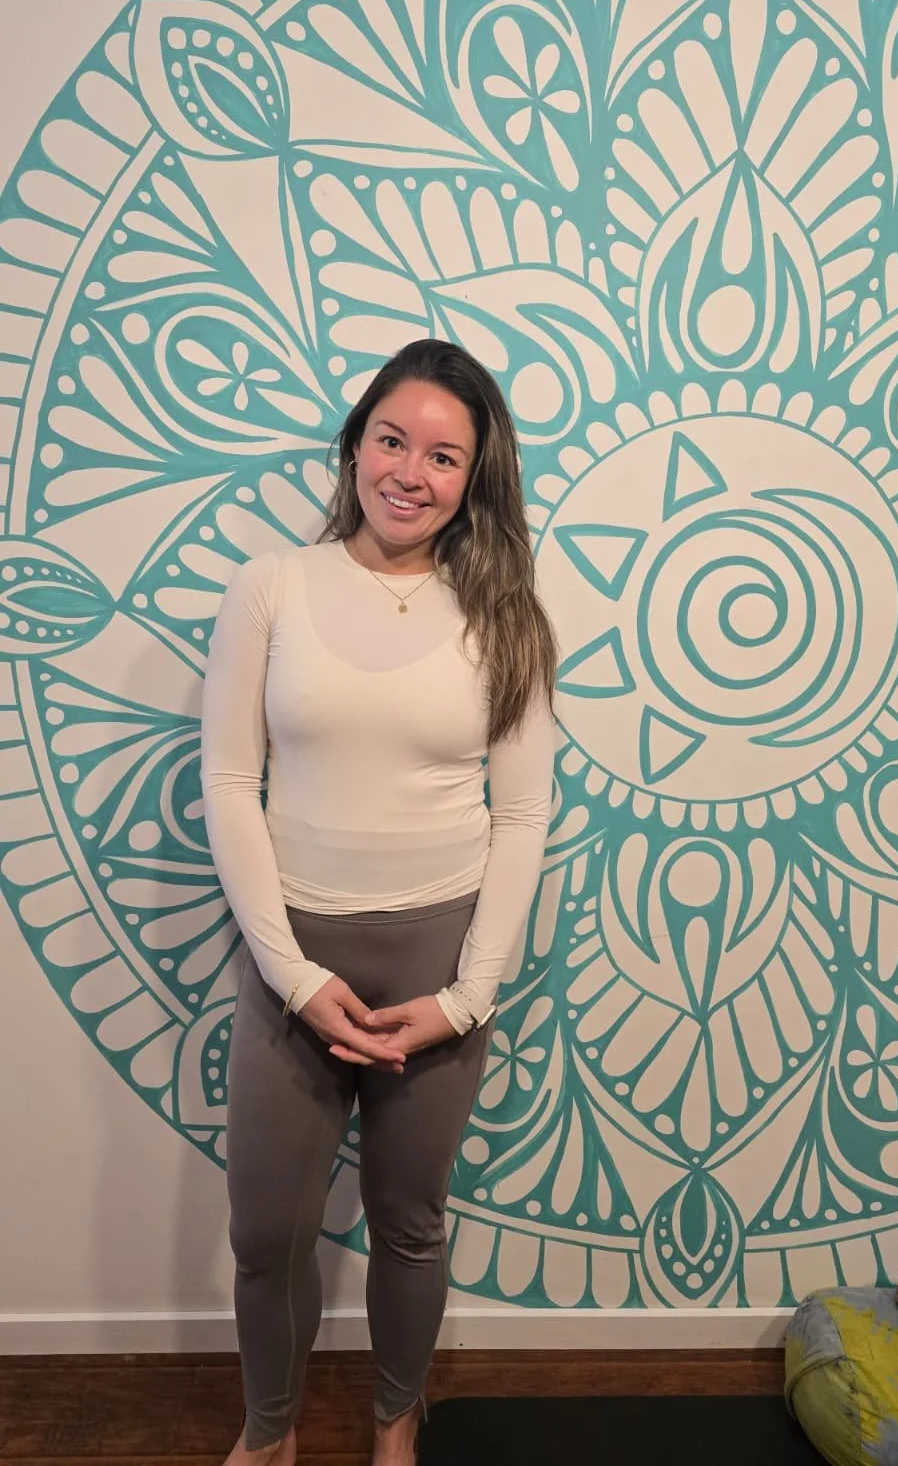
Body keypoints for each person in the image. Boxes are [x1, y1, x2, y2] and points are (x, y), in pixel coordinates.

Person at [201, 338, 557, 1466]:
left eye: (443, 455)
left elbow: (521, 818)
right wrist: (294, 977)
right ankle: (271, 1435)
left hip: (436, 962)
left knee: (410, 1223)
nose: (411, 470)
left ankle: (395, 1422)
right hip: (290, 958)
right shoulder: (273, 587)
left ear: (474, 477)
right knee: (266, 1234)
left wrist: (465, 1000)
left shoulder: (502, 613)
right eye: (392, 439)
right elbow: (227, 781)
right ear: (355, 445)